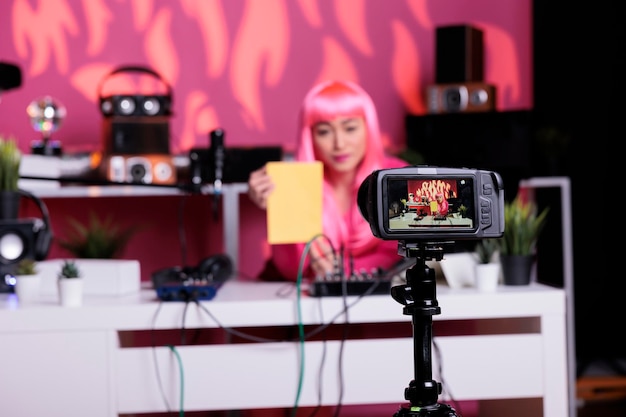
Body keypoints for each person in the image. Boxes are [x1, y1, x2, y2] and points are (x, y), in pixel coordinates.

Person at [247, 80, 408, 281]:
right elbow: (291, 269)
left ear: (369, 128)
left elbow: (398, 253)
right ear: (310, 136)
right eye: (324, 131)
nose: (339, 144)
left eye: (349, 128)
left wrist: (342, 271)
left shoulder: (397, 175)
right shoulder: (294, 182)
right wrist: (278, 206)